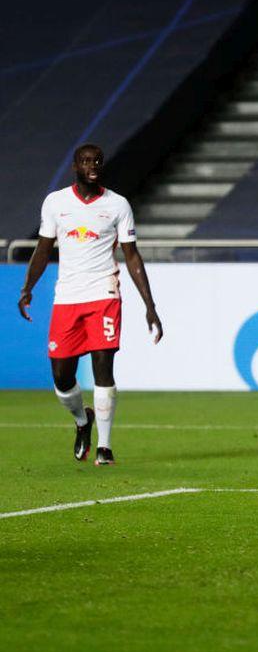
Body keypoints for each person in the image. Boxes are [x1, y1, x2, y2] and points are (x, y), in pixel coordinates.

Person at [18, 144, 162, 466]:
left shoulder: (118, 205)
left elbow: (132, 256)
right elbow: (43, 250)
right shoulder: (56, 203)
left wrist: (149, 306)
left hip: (104, 294)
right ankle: (83, 421)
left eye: (97, 160)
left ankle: (105, 447)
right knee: (61, 377)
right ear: (75, 167)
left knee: (103, 368)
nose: (92, 165)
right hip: (67, 297)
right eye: (85, 161)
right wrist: (28, 287)